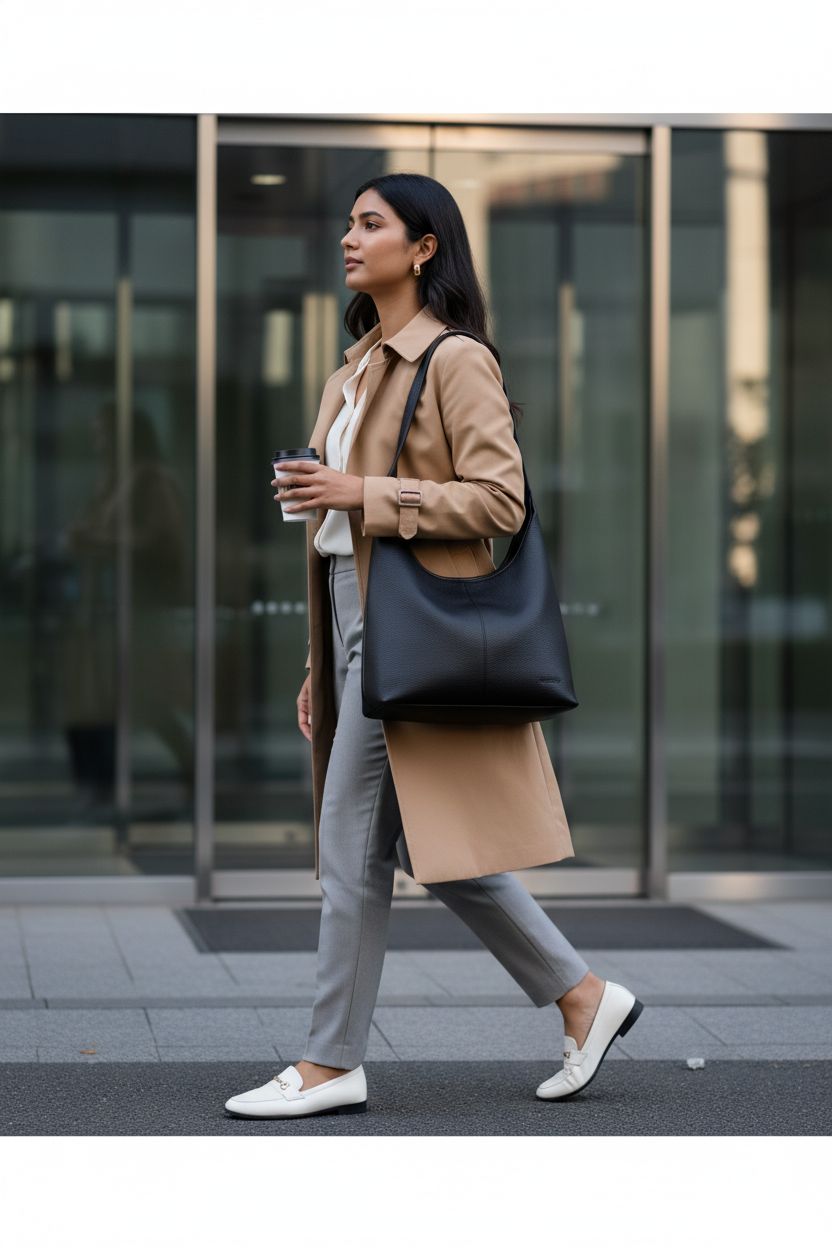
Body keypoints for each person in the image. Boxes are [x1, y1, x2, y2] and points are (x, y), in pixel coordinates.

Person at [225, 173, 643, 1120]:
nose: (348, 236)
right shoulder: (354, 367)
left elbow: (502, 500)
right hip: (353, 615)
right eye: (347, 223)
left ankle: (332, 1063)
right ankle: (583, 998)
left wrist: (365, 495)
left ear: (423, 247)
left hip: (409, 620)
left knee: (348, 849)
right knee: (419, 842)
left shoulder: (454, 360)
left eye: (370, 223)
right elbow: (338, 540)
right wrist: (316, 658)